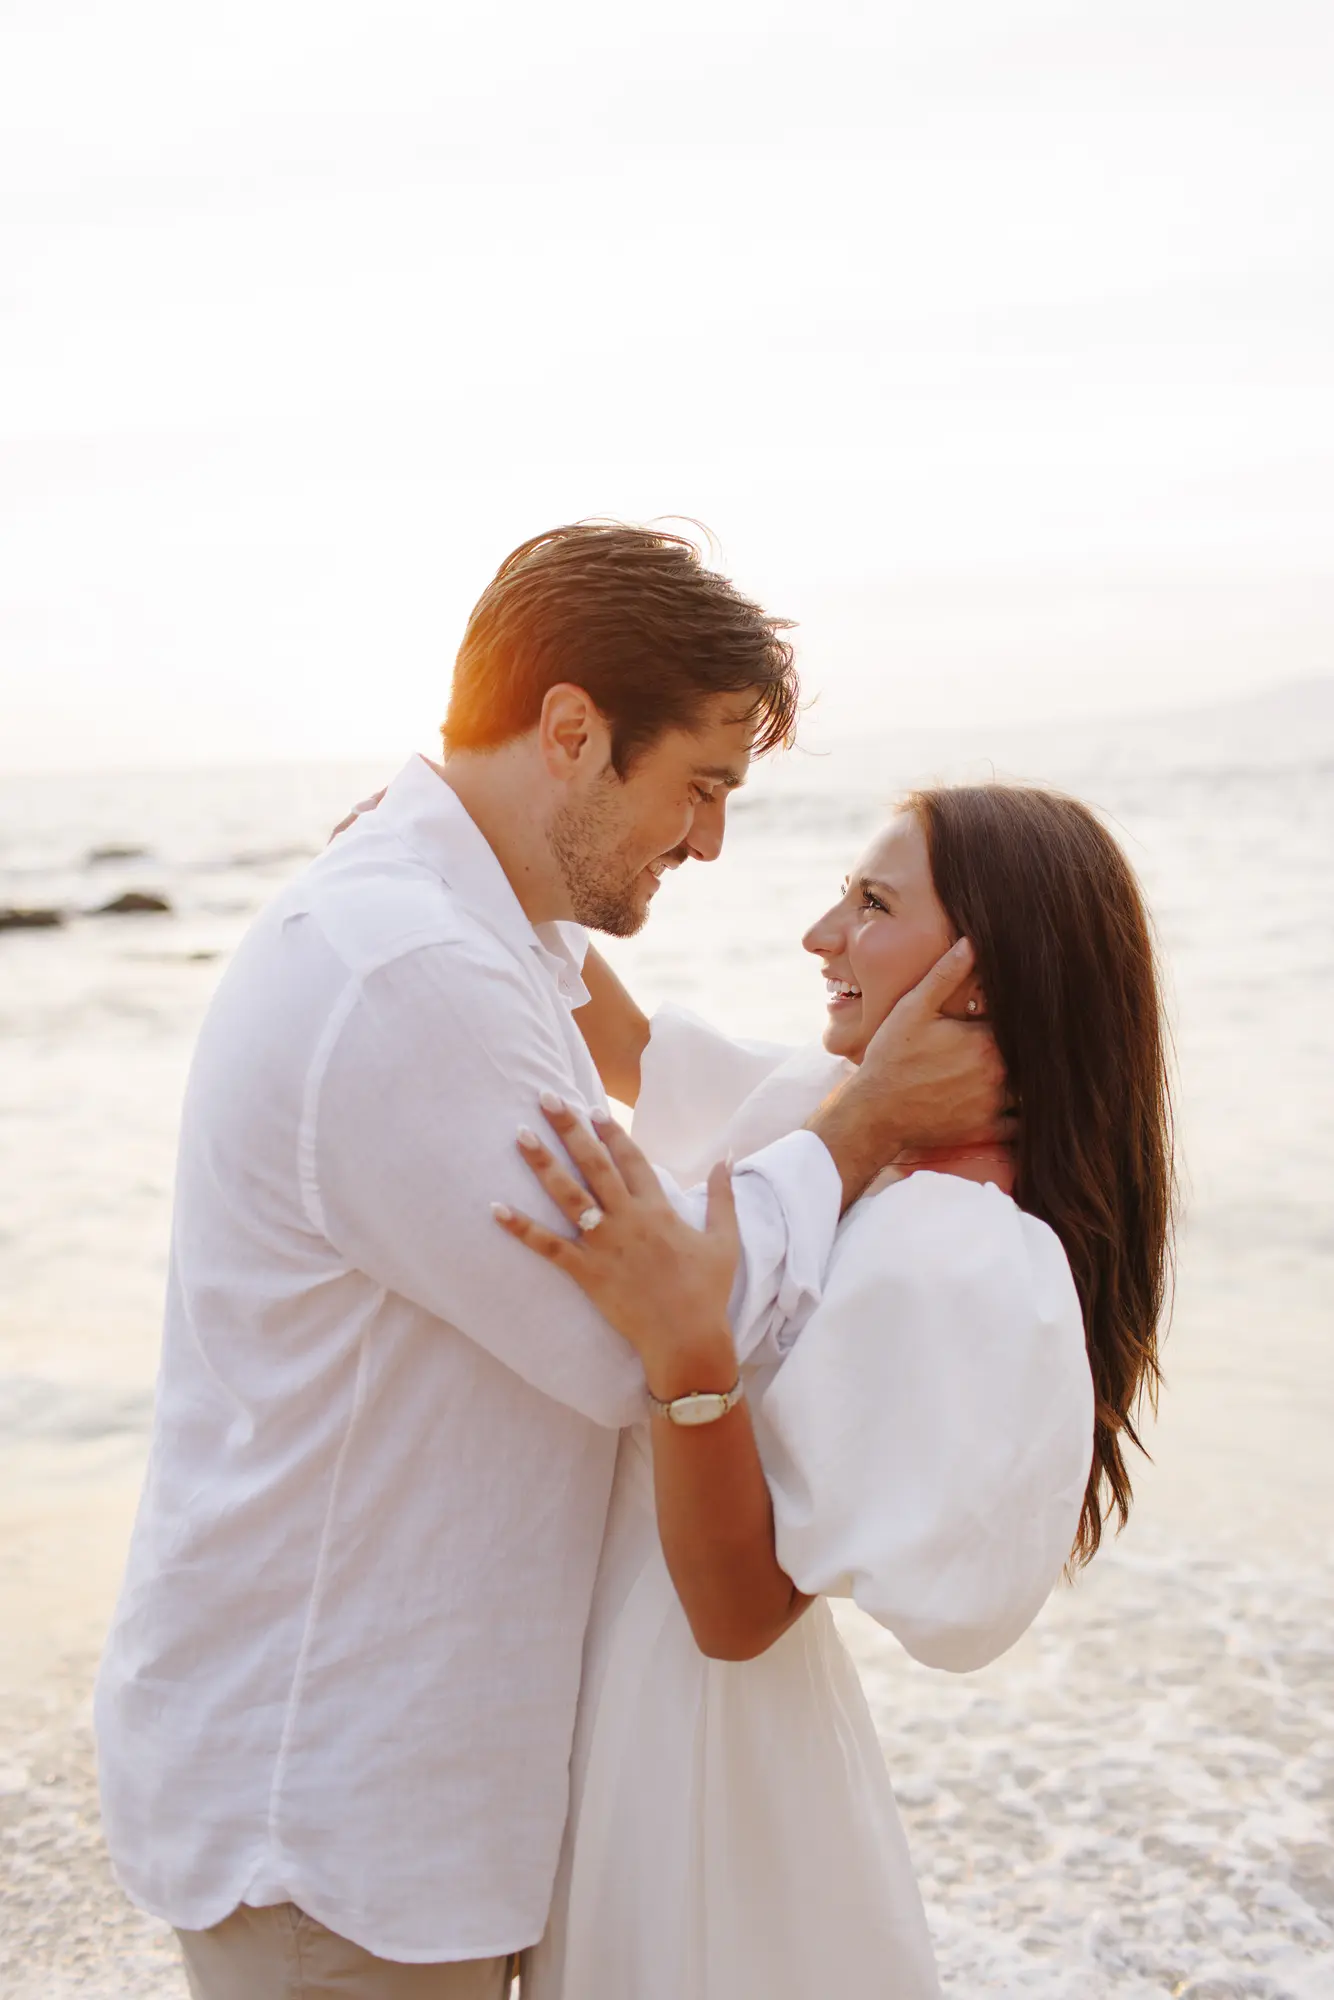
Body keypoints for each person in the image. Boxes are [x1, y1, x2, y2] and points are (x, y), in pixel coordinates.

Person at [92, 523, 1008, 1999]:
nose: (707, 841)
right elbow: (640, 1337)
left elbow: (629, 1088)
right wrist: (865, 1126)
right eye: (699, 785)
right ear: (572, 731)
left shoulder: (467, 931)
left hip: (393, 1789)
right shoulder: (408, 969)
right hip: (340, 1817)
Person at [496, 783, 1174, 1999]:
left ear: (978, 974)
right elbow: (631, 1048)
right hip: (621, 1676)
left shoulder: (954, 1245)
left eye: (869, 904)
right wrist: (471, 844)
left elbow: (741, 1610)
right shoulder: (857, 1121)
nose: (819, 935)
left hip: (688, 1726)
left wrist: (688, 1351)